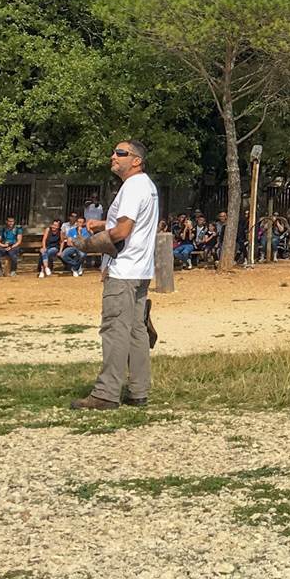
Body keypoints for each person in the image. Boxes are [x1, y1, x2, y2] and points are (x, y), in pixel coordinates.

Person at [70, 139, 160, 411]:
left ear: (136, 161)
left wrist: (89, 244)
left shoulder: (131, 187)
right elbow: (129, 224)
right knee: (136, 330)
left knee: (115, 330)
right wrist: (103, 224)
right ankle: (138, 391)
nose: (113, 156)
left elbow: (122, 232)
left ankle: (106, 394)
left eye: (121, 153)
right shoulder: (146, 186)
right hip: (141, 270)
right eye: (114, 152)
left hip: (123, 271)